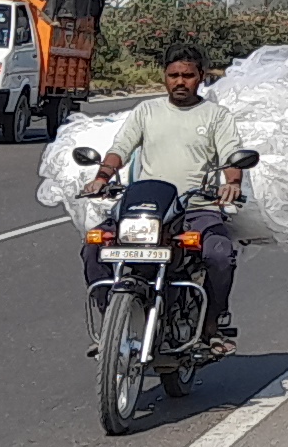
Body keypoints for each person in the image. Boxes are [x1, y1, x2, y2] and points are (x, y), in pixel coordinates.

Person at [84, 44, 247, 346]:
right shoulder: (147, 111)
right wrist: (101, 177)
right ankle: (111, 325)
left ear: (201, 77)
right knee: (94, 246)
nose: (180, 81)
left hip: (196, 209)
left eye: (188, 75)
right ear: (164, 77)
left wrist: (232, 183)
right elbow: (120, 148)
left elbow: (232, 155)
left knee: (220, 255)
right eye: (173, 75)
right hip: (146, 209)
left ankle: (212, 323)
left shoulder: (216, 116)